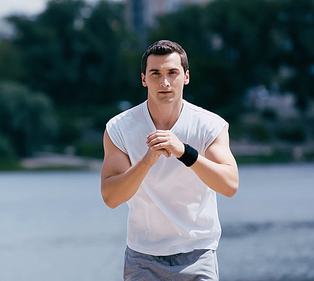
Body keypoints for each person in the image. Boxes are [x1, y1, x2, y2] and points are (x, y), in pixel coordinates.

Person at [100, 40, 239, 280]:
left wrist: (184, 152)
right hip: (143, 256)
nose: (164, 82)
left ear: (186, 77)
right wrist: (146, 161)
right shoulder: (119, 128)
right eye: (155, 74)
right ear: (144, 79)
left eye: (172, 73)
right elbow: (111, 198)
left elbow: (229, 185)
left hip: (198, 253)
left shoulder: (209, 126)